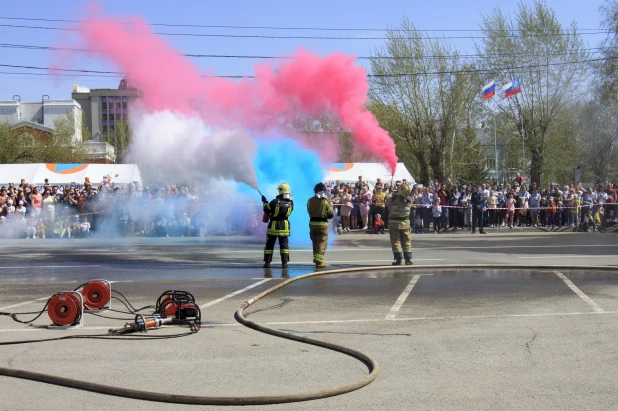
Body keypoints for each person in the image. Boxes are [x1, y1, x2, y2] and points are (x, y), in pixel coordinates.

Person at [261, 182, 294, 269]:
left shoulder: (274, 202)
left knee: (269, 245)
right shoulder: (291, 203)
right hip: (285, 226)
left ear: (280, 191)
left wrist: (264, 202)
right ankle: (285, 263)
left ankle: (267, 263)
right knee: (284, 246)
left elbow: (266, 209)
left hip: (273, 226)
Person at [307, 183, 334, 268]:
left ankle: (316, 260)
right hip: (322, 224)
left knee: (315, 242)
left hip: (312, 224)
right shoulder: (326, 201)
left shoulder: (310, 200)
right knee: (321, 242)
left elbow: (308, 211)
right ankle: (319, 261)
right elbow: (331, 214)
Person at [385, 182, 413, 265]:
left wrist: (390, 194)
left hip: (394, 223)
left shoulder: (393, 199)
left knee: (396, 241)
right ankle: (408, 259)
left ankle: (398, 259)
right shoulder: (409, 200)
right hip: (405, 223)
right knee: (407, 241)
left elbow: (387, 202)